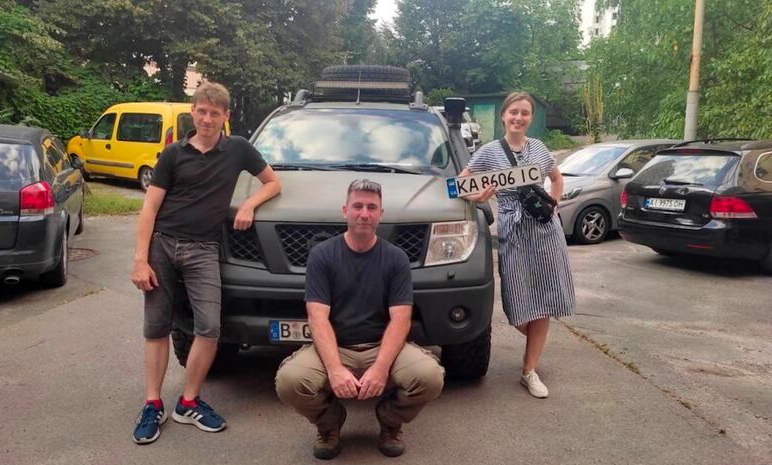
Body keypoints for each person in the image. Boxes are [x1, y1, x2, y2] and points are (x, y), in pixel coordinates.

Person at [130, 82, 281, 444]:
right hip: (162, 246)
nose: (207, 118)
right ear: (192, 112)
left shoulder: (239, 150)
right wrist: (139, 259)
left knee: (209, 327)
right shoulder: (173, 154)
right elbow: (149, 208)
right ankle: (152, 403)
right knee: (156, 327)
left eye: (215, 113)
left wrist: (249, 204)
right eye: (201, 111)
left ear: (226, 117)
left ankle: (188, 401)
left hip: (203, 250)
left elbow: (273, 183)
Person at [275, 179, 445, 460]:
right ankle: (330, 425)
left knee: (429, 377)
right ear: (345, 211)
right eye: (357, 206)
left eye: (371, 207)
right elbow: (317, 318)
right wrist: (334, 369)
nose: (364, 213)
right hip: (335, 346)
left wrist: (380, 368)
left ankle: (390, 421)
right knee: (290, 381)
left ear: (381, 214)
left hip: (381, 345)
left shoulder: (396, 259)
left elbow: (400, 320)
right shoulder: (322, 255)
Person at [459, 92, 575, 398]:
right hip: (512, 227)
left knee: (546, 295)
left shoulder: (538, 147)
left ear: (530, 117)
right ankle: (532, 340)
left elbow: (556, 178)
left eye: (525, 113)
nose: (519, 117)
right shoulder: (487, 152)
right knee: (517, 301)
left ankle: (529, 369)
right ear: (503, 116)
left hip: (544, 228)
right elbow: (460, 184)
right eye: (514, 112)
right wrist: (479, 196)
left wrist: (554, 204)